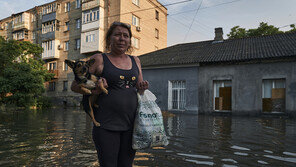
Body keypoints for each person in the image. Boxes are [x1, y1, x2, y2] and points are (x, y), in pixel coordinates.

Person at [71, 21, 149, 167]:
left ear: (129, 40)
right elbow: (75, 85)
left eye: (125, 36)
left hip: (131, 126)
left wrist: (142, 88)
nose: (122, 38)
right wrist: (96, 88)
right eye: (117, 35)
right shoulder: (100, 59)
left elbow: (138, 89)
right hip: (106, 126)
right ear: (109, 39)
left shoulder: (136, 60)